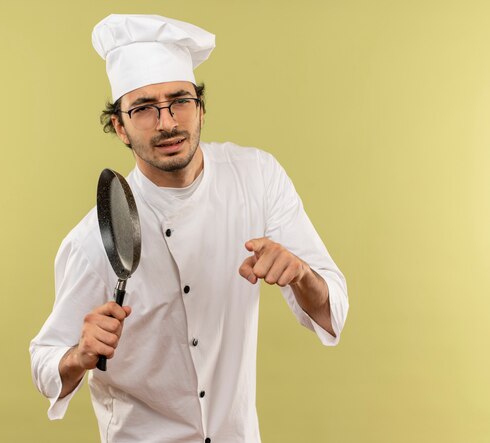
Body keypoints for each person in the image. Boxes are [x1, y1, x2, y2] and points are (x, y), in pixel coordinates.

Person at [30, 14, 349, 443]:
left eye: (179, 101)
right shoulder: (94, 240)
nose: (167, 123)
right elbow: (45, 362)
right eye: (144, 109)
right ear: (120, 127)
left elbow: (332, 311)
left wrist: (301, 273)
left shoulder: (257, 177)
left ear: (200, 108)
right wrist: (78, 355)